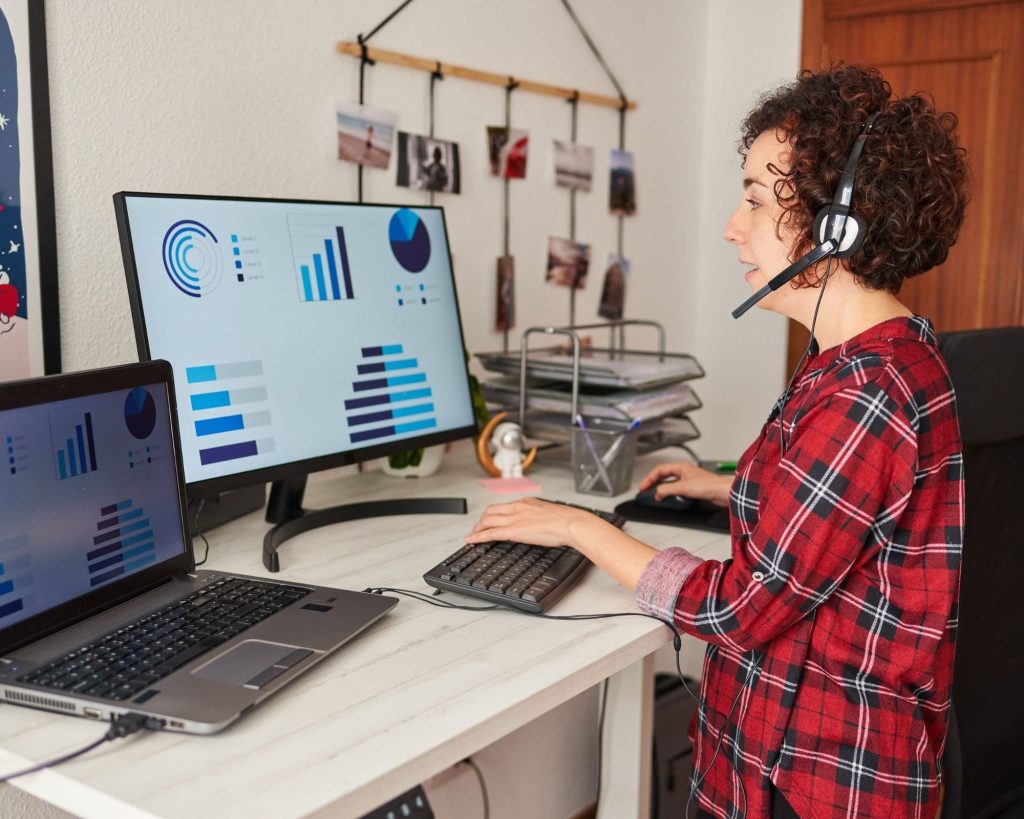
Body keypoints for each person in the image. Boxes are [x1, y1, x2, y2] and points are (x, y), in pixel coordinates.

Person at [466, 63, 968, 818]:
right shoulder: (883, 357)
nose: (734, 226)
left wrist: (580, 526)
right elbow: (846, 517)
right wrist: (727, 486)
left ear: (835, 227)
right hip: (793, 761)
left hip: (816, 785)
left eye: (757, 200)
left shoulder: (865, 393)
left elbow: (742, 608)